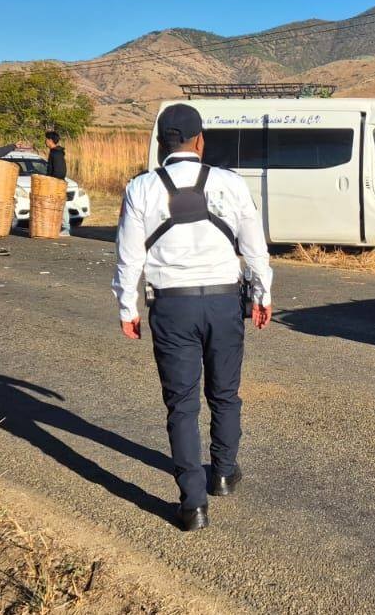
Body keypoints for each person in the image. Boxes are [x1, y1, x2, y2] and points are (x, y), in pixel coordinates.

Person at [112, 103, 273, 532]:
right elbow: (254, 245)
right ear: (200, 140)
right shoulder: (230, 183)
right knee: (225, 393)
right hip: (223, 303)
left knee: (181, 405)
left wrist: (127, 307)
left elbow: (129, 258)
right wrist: (262, 291)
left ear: (163, 141)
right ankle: (222, 473)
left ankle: (193, 504)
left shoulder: (140, 188)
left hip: (172, 305)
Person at [44, 131, 71, 235]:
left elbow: (60, 171)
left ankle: (65, 228)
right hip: (55, 183)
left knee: (62, 205)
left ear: (50, 140)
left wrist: (54, 181)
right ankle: (55, 227)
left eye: (46, 139)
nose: (45, 141)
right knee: (55, 205)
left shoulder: (56, 154)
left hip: (57, 183)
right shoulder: (54, 152)